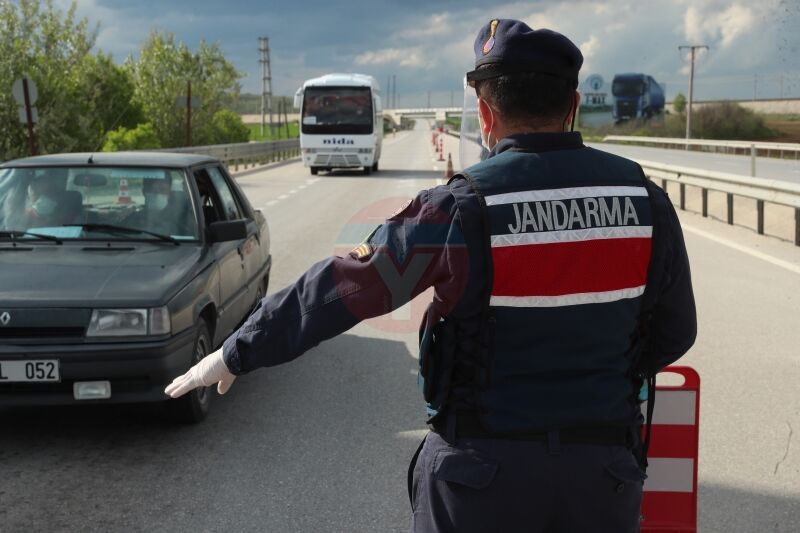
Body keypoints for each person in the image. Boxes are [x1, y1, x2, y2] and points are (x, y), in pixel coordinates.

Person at [166, 19, 696, 533]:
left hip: (481, 480)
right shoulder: (644, 201)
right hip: (603, 478)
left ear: (485, 114)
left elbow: (348, 287)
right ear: (573, 105)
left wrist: (236, 351)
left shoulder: (460, 208)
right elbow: (675, 332)